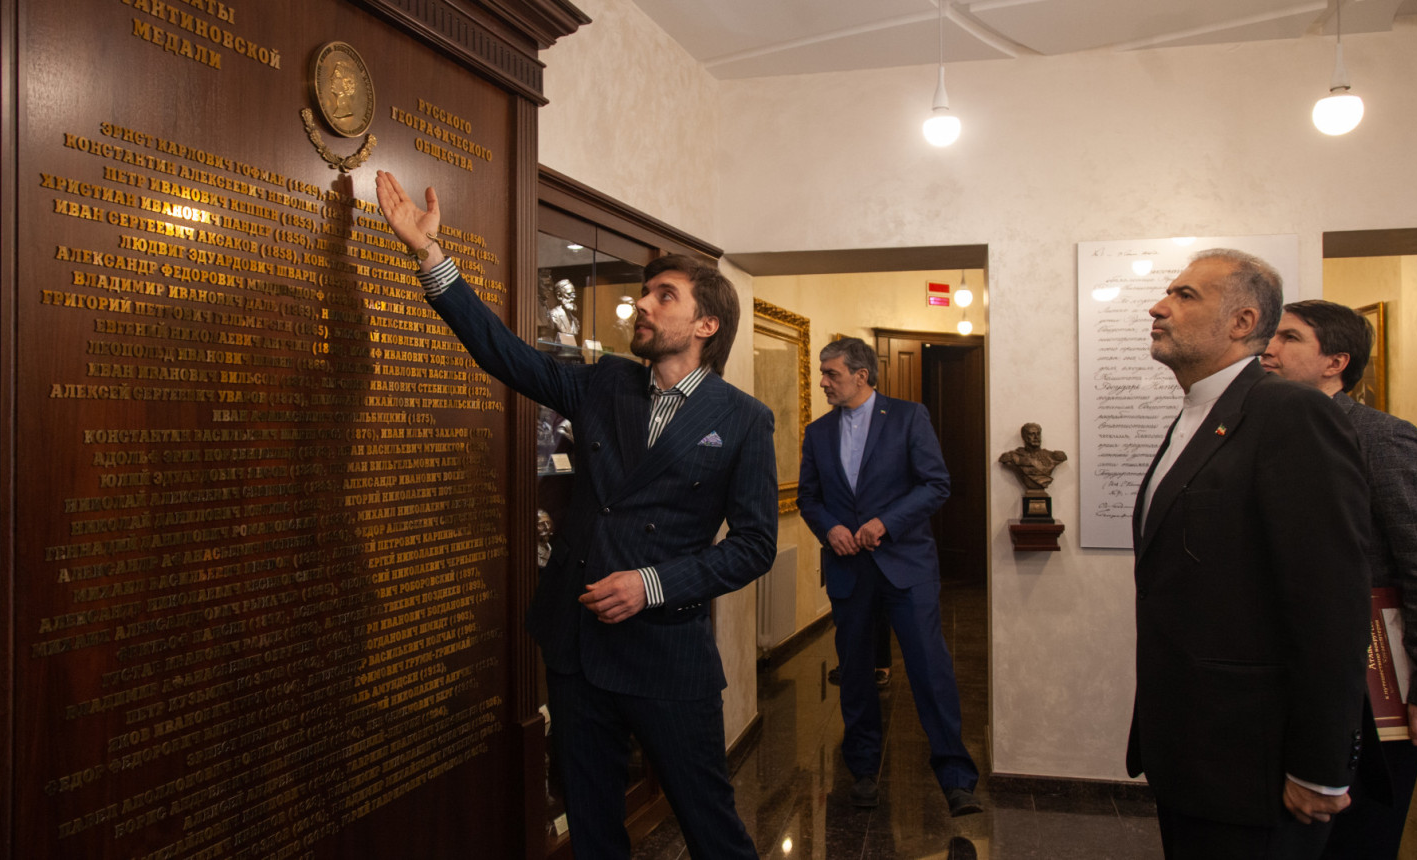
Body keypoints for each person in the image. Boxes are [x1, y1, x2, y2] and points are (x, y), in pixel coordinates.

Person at [374, 171, 778, 859]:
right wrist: (429, 256)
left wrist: (650, 584)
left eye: (662, 296)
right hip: (578, 649)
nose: (640, 305)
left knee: (713, 832)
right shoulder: (604, 383)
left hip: (666, 656)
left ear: (705, 325)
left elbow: (753, 547)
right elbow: (504, 354)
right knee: (593, 835)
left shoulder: (742, 421)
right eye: (645, 292)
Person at [1129, 249, 1374, 858]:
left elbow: (1331, 603)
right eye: (1168, 293)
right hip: (1191, 749)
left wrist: (1321, 765)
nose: (1159, 307)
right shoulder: (1200, 413)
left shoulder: (1291, 414)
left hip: (1253, 763)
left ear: (1241, 322)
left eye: (1186, 296)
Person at [1262, 299, 1417, 859]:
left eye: (1289, 338)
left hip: (1375, 688)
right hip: (1297, 682)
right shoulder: (1269, 431)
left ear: (1336, 361)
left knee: (1358, 840)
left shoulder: (1381, 439)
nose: (1268, 349)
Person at [797, 337, 981, 817]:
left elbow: (935, 484)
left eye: (831, 373)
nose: (823, 382)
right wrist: (830, 528)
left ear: (862, 375)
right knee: (855, 675)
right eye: (822, 372)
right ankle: (861, 771)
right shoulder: (817, 433)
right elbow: (809, 498)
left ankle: (957, 779)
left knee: (929, 671)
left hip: (906, 567)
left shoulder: (908, 416)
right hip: (849, 572)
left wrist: (887, 522)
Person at [997, 422, 1067, 491]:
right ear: (1024, 437)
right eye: (1032, 434)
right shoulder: (1014, 457)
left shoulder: (1053, 456)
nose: (1036, 437)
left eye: (1038, 434)